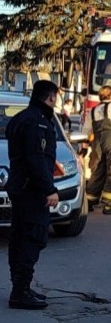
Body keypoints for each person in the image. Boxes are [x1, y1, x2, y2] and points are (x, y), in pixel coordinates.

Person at [5, 80, 61, 310]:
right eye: (56, 98)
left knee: (19, 238)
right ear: (50, 98)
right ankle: (20, 292)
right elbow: (36, 158)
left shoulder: (21, 118)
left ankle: (21, 288)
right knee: (33, 237)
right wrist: (50, 189)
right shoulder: (38, 122)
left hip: (19, 186)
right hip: (32, 189)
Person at [81, 85, 111, 215]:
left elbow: (87, 131)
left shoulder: (93, 110)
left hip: (97, 142)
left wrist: (84, 149)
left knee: (98, 171)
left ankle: (89, 202)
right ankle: (110, 205)